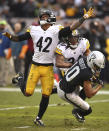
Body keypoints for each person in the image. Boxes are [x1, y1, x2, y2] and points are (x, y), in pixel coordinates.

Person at [3, 7, 94, 126]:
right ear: (40, 18)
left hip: (48, 68)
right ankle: (20, 78)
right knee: (28, 93)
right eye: (44, 17)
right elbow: (19, 38)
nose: (46, 18)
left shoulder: (56, 30)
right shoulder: (34, 29)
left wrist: (84, 18)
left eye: (47, 16)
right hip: (35, 66)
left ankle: (38, 118)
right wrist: (9, 36)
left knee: (46, 94)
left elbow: (72, 27)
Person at [57, 51, 105, 122]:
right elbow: (89, 94)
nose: (97, 68)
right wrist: (100, 86)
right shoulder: (87, 74)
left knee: (89, 85)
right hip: (66, 92)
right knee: (88, 110)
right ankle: (76, 111)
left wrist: (93, 79)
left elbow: (83, 73)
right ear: (91, 61)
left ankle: (53, 90)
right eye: (96, 66)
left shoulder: (84, 58)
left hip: (64, 82)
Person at [52, 29, 91, 93]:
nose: (74, 40)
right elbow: (58, 63)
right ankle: (56, 89)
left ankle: (56, 90)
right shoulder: (62, 47)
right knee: (72, 89)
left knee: (85, 86)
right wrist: (71, 65)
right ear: (66, 38)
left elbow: (88, 55)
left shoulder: (83, 43)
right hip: (66, 69)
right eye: (71, 38)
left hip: (79, 67)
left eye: (75, 37)